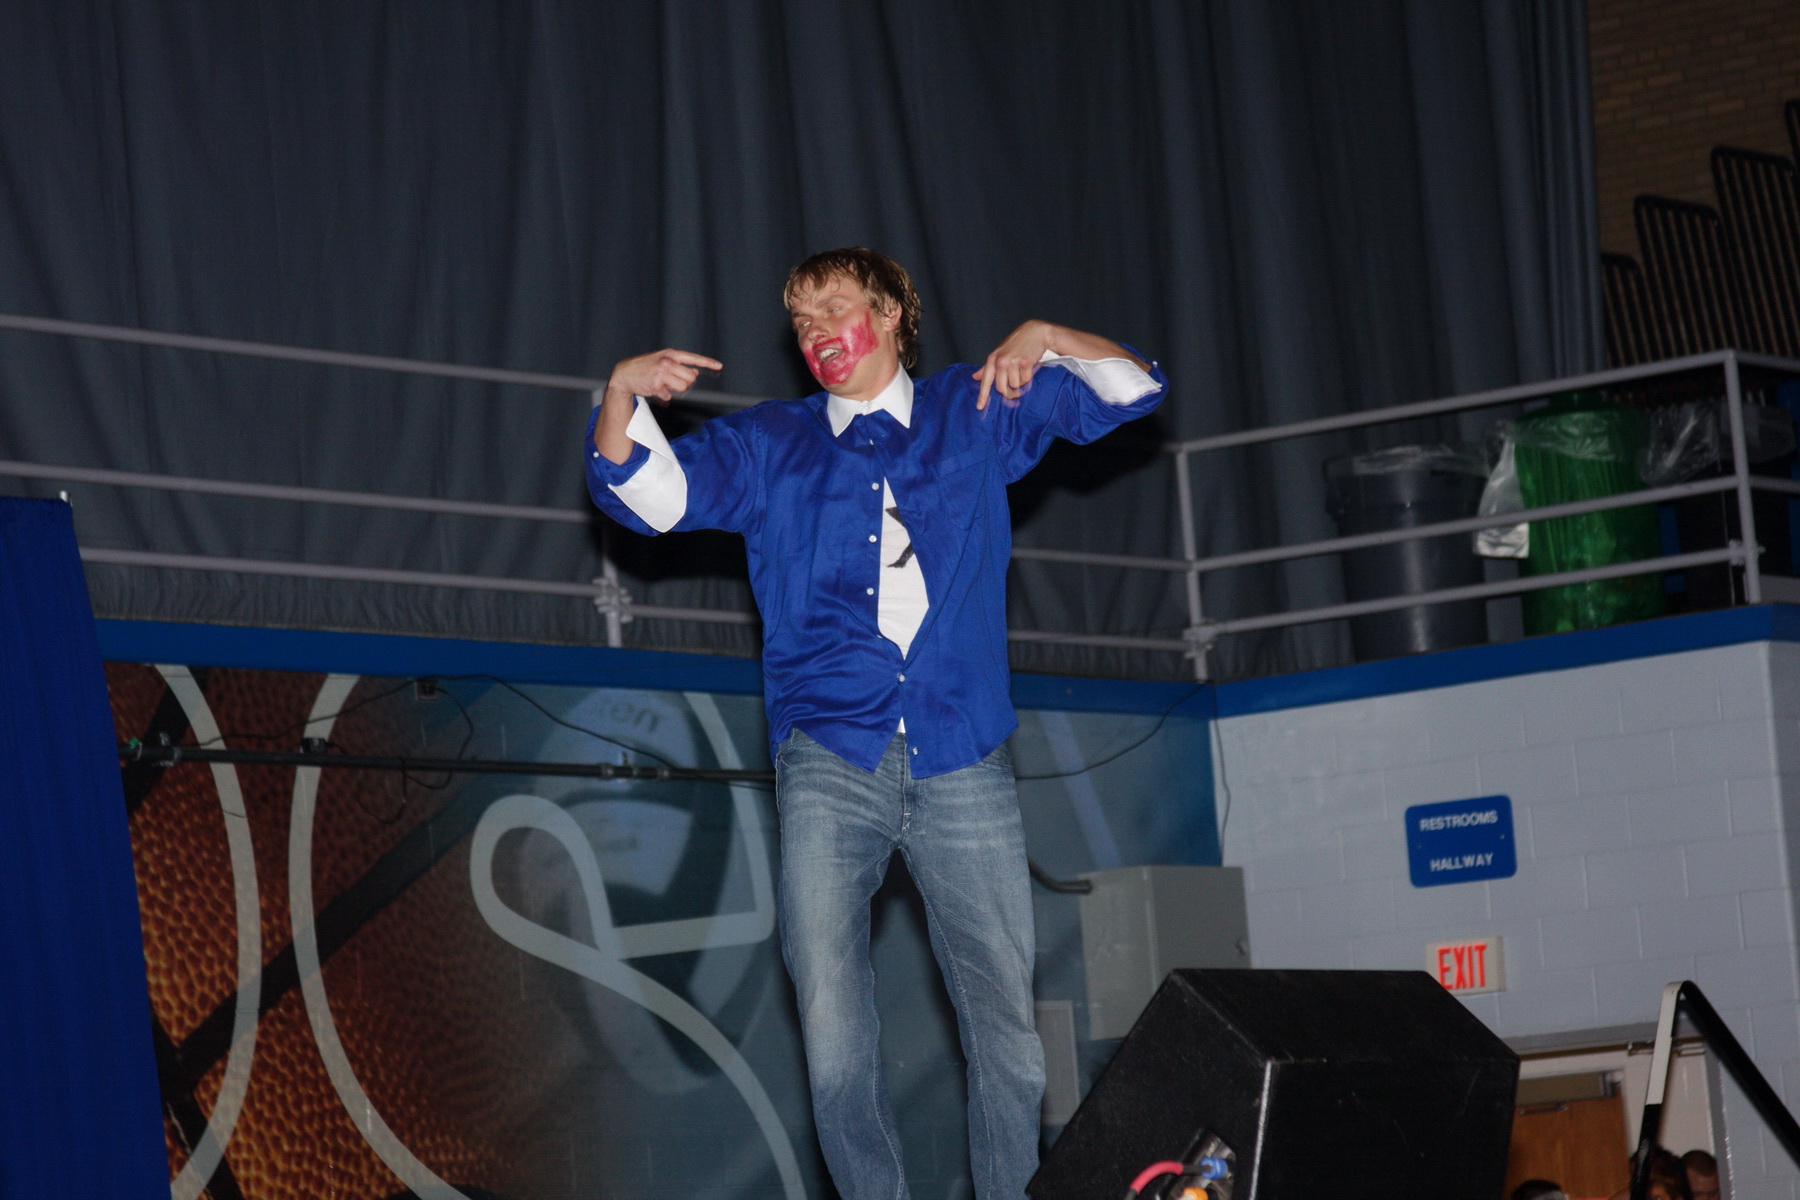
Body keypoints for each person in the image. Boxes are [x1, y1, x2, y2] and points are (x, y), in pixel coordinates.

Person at [584, 247, 1166, 1200]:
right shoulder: (771, 444)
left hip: (962, 750)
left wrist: (1049, 337)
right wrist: (619, 391)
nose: (816, 332)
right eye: (802, 321)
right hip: (831, 753)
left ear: (892, 313)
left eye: (835, 308)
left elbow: (1133, 391)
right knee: (833, 1031)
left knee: (1010, 1038)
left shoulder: (974, 410)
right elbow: (643, 495)